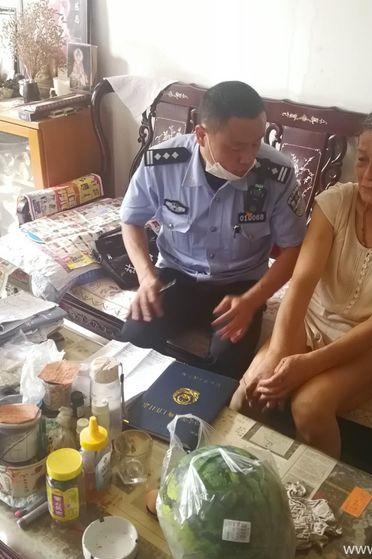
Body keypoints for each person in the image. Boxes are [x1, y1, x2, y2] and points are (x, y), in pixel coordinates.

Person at [231, 103, 372, 458]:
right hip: (313, 321)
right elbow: (302, 282)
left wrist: (307, 365)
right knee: (247, 396)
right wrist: (278, 354)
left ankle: (317, 490)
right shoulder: (335, 202)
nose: (368, 175)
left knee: (309, 407)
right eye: (362, 160)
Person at [118, 81, 307, 379]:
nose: (248, 157)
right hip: (177, 277)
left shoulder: (276, 174)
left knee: (225, 366)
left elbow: (294, 249)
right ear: (201, 135)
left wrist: (252, 301)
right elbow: (131, 220)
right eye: (236, 147)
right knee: (132, 342)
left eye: (256, 143)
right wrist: (146, 277)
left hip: (241, 287)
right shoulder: (162, 164)